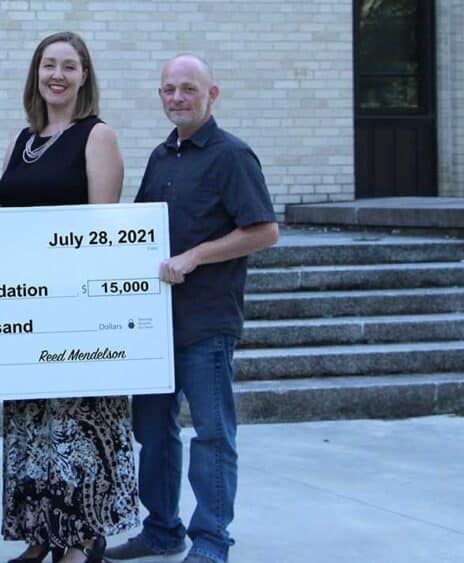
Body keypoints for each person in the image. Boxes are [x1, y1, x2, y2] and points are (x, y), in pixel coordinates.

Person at [103, 54, 279, 563]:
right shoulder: (163, 156)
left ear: (212, 94)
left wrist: (196, 256)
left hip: (206, 324)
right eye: (168, 90)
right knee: (153, 432)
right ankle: (162, 529)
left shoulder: (233, 156)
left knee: (212, 435)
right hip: (155, 323)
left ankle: (211, 540)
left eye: (187, 89)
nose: (177, 98)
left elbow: (265, 231)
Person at [0, 31, 139, 563]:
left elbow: (102, 234)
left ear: (84, 77)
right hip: (26, 306)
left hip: (77, 310)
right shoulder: (22, 140)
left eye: (69, 66)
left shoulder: (96, 136)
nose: (57, 75)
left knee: (75, 425)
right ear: (36, 74)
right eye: (48, 65)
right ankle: (40, 531)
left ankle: (79, 540)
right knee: (32, 422)